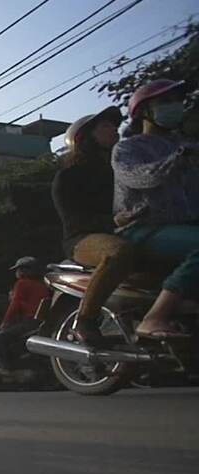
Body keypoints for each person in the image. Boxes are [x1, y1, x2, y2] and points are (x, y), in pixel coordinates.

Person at [112, 79, 199, 340]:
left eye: (175, 101)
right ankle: (155, 317)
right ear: (144, 112)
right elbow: (141, 177)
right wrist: (178, 159)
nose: (174, 107)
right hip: (143, 229)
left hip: (185, 228)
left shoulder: (186, 145)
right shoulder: (128, 148)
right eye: (164, 103)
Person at [52, 106, 136, 345]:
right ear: (85, 137)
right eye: (105, 126)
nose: (114, 130)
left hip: (129, 230)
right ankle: (85, 320)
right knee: (118, 252)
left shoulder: (125, 169)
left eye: (114, 125)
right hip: (83, 239)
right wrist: (112, 221)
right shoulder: (69, 176)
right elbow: (73, 219)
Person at [0, 257, 49, 375]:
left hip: (29, 322)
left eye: (18, 270)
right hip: (41, 323)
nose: (17, 273)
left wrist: (5, 322)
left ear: (25, 270)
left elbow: (15, 304)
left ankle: (6, 368)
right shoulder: (43, 285)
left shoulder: (22, 283)